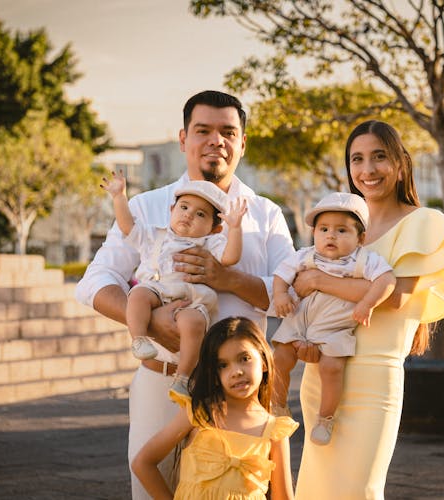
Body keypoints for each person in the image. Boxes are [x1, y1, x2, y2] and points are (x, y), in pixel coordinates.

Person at [74, 90, 295, 499]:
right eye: (203, 131)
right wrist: (152, 323)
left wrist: (227, 278)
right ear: (183, 139)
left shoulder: (265, 214)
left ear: (242, 142)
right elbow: (95, 282)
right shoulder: (147, 206)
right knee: (150, 487)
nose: (217, 141)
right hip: (164, 382)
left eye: (228, 132)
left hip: (239, 392)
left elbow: (291, 295)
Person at [292, 120, 444, 499]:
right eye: (357, 159)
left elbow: (397, 297)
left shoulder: (423, 223)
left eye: (378, 157)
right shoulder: (340, 226)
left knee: (361, 490)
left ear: (401, 163)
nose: (367, 170)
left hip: (374, 381)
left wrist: (319, 281)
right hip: (321, 376)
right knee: (315, 489)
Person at [101, 173, 248, 397]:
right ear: (172, 210)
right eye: (184, 207)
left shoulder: (210, 242)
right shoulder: (155, 235)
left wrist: (235, 229)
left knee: (194, 323)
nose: (188, 216)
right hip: (157, 289)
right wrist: (119, 196)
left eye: (200, 214)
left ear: (214, 228)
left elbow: (230, 258)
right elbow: (127, 226)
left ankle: (184, 377)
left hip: (191, 297)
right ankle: (139, 339)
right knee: (137, 295)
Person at [270, 192, 396, 446]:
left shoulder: (364, 260)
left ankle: (325, 419)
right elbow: (281, 275)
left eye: (341, 230)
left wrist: (367, 303)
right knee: (280, 357)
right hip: (299, 319)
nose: (330, 236)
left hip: (335, 326)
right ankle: (277, 405)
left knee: (332, 368)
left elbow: (387, 280)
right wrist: (281, 294)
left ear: (361, 238)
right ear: (313, 233)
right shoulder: (305, 256)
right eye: (324, 229)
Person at [132, 316, 298, 500]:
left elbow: (284, 497)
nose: (236, 372)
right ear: (214, 373)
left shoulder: (275, 431)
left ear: (264, 361)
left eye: (244, 358)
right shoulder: (199, 413)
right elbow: (143, 463)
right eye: (223, 365)